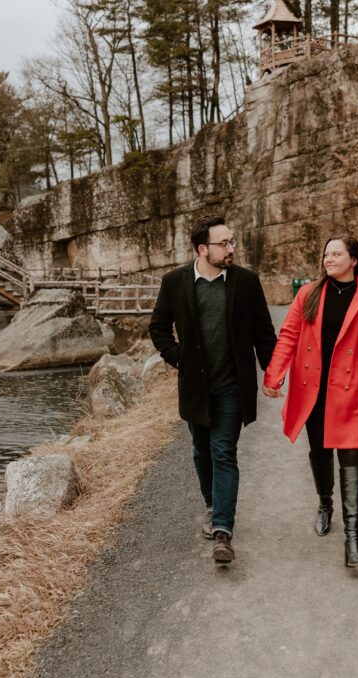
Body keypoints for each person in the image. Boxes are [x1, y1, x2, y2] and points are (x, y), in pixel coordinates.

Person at [149, 214, 277, 565]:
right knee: (200, 450)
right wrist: (182, 360)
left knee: (223, 451)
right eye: (225, 243)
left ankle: (223, 530)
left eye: (232, 242)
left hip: (233, 386)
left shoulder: (246, 282)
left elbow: (265, 334)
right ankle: (211, 504)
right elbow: (158, 329)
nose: (232, 248)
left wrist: (273, 375)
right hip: (195, 387)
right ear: (203, 249)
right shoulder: (175, 282)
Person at [262, 235, 358, 567]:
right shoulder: (309, 293)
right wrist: (274, 375)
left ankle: (353, 538)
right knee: (319, 451)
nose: (329, 259)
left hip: (354, 392)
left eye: (337, 254)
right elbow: (289, 334)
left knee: (352, 458)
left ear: (354, 260)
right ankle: (324, 504)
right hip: (314, 390)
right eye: (326, 254)